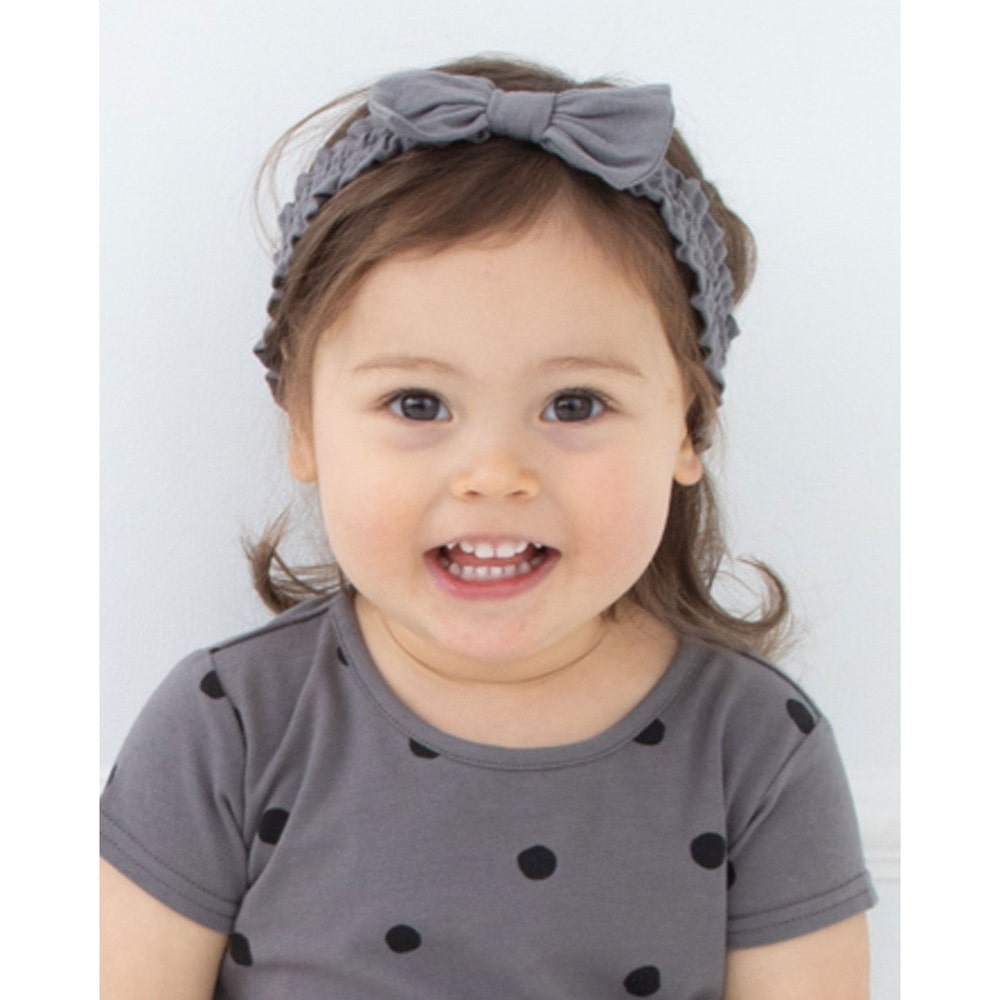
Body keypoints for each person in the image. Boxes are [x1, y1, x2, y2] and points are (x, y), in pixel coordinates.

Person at [100, 55, 876, 999]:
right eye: (418, 403)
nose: (496, 475)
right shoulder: (228, 722)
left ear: (687, 428)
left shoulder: (758, 747)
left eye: (575, 403)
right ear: (304, 427)